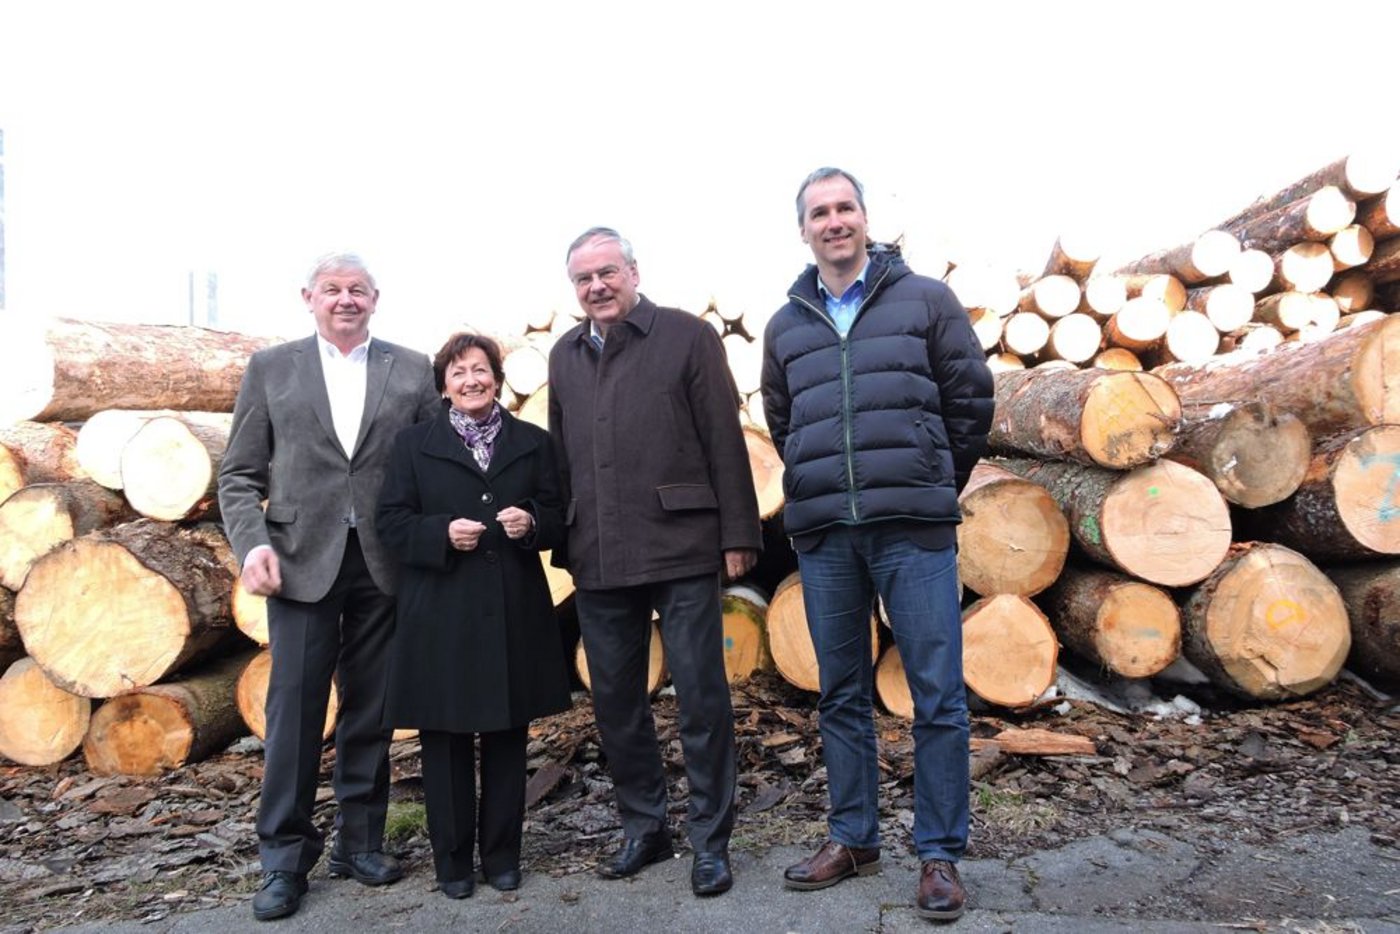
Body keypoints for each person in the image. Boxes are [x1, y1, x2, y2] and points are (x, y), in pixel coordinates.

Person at [760, 168, 994, 923]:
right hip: (827, 535)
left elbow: (970, 397)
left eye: (845, 208)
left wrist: (932, 478)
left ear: (865, 218)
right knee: (841, 693)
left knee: (937, 694)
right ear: (803, 230)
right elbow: (782, 418)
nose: (834, 221)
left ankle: (939, 855)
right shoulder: (786, 325)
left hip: (913, 532)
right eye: (819, 212)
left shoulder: (925, 299)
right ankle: (854, 837)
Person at [218, 252, 439, 922]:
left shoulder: (411, 368)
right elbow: (238, 475)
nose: (345, 300)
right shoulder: (271, 368)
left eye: (358, 291)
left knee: (371, 709)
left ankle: (361, 844)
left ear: (376, 299)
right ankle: (284, 859)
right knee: (293, 716)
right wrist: (252, 544)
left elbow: (435, 461)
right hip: (297, 562)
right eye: (333, 290)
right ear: (308, 297)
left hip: (382, 562)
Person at [547, 227, 762, 898]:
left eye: (607, 272)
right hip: (600, 553)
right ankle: (645, 827)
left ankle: (710, 841)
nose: (597, 286)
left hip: (682, 542)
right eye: (583, 279)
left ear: (633, 272)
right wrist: (562, 538)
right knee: (615, 702)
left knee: (700, 697)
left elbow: (724, 439)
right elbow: (559, 454)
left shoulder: (685, 337)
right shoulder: (562, 356)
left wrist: (739, 533)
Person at [377, 332, 572, 900]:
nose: (471, 380)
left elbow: (560, 515)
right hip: (440, 614)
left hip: (513, 608)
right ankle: (453, 863)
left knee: (509, 736)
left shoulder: (532, 442)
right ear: (443, 385)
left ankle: (504, 856)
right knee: (445, 741)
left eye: (481, 369)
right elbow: (389, 522)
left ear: (497, 377)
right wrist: (438, 531)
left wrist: (532, 523)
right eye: (459, 371)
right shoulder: (413, 445)